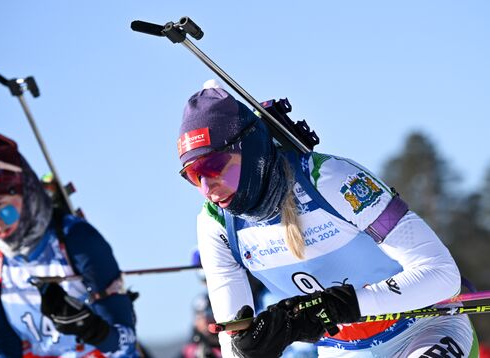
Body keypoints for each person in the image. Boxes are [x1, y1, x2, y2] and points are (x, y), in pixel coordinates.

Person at [176, 81, 479, 357]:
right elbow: (235, 344)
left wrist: (341, 305)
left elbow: (441, 275)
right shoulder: (216, 225)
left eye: (214, 165)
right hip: (342, 350)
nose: (206, 187)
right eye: (194, 175)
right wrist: (255, 346)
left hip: (423, 330)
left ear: (251, 149)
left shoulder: (330, 179)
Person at [0, 131, 139, 357]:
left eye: (0, 204)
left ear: (27, 193)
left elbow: (126, 343)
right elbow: (5, 352)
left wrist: (94, 330)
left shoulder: (79, 240)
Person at [178, 294, 222, 358]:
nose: (205, 320)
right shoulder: (190, 352)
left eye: (209, 313)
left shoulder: (234, 340)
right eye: (199, 315)